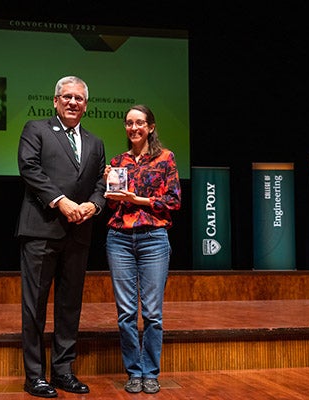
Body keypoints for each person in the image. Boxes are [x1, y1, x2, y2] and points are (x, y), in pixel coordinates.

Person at [16, 76, 106, 398]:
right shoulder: (36, 129)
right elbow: (29, 168)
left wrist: (93, 206)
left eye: (78, 98)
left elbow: (99, 182)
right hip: (41, 230)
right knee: (35, 306)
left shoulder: (95, 142)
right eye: (66, 97)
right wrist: (61, 201)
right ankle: (35, 376)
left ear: (85, 105)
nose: (72, 102)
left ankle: (64, 371)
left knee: (70, 306)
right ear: (55, 101)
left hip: (79, 231)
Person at [104, 104, 181, 395]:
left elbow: (173, 201)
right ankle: (134, 372)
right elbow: (112, 204)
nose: (133, 128)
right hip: (120, 238)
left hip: (153, 238)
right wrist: (108, 186)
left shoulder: (165, 158)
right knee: (125, 313)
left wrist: (139, 201)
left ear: (150, 127)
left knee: (152, 313)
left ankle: (150, 372)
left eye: (139, 123)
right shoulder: (117, 162)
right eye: (128, 123)